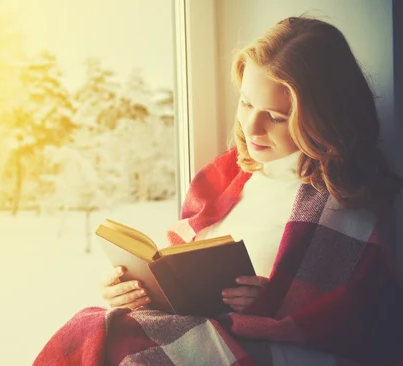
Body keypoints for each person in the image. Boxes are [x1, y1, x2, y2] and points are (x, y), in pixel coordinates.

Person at [34, 16, 403, 366]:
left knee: (106, 337)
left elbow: (365, 327)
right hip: (201, 333)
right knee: (98, 327)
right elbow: (180, 275)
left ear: (324, 117)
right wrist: (135, 292)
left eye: (275, 117)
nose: (252, 127)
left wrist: (271, 303)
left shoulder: (345, 208)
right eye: (246, 103)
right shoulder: (228, 178)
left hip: (265, 347)